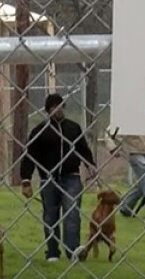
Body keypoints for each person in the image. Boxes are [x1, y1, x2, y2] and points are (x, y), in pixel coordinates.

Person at [21, 93, 97, 262]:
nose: (58, 110)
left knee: (72, 213)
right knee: (50, 215)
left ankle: (73, 252)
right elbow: (29, 156)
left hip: (72, 177)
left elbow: (83, 149)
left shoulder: (73, 128)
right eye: (54, 107)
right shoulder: (40, 130)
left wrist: (90, 164)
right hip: (48, 178)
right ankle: (53, 252)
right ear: (48, 110)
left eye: (61, 106)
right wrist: (26, 180)